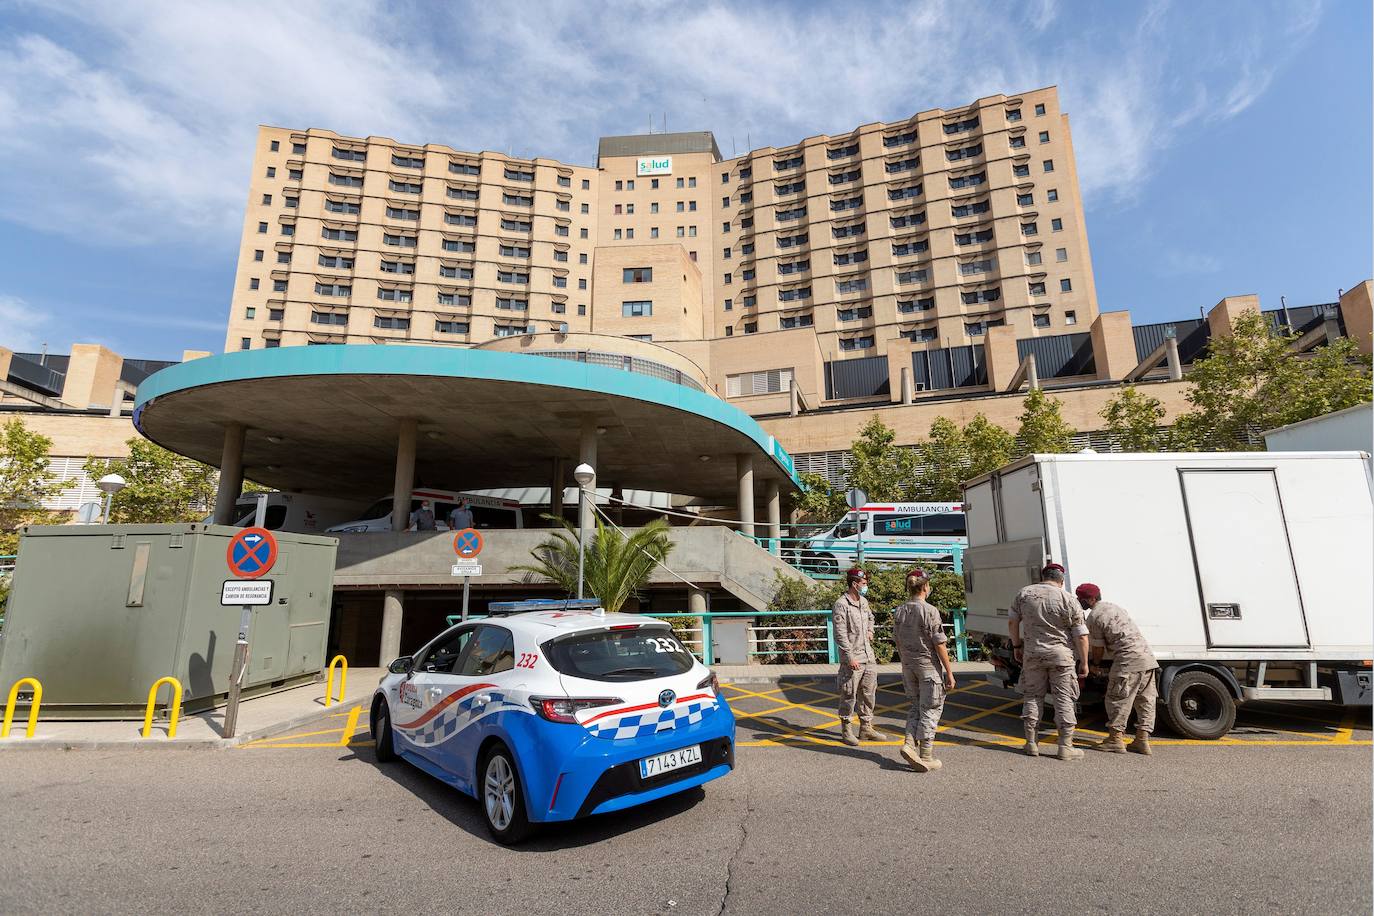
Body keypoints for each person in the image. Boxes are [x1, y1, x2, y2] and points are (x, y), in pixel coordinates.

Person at [1009, 563, 1089, 761]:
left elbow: (1012, 622)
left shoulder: (1024, 594)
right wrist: (1085, 662)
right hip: (1061, 656)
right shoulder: (1067, 598)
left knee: (1032, 697)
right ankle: (1065, 746)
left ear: (1043, 576)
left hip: (1032, 654)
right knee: (1064, 699)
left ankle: (1031, 743)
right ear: (1061, 581)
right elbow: (1081, 635)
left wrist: (1017, 646)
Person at [1077, 583, 1158, 756]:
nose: (1079, 601)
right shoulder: (1115, 607)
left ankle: (1115, 740)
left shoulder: (1095, 616)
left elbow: (1097, 648)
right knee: (1145, 700)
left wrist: (1095, 665)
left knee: (1117, 698)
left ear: (1091, 599)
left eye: (1081, 599)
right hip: (1147, 658)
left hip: (1127, 660)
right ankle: (1142, 740)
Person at [892, 568, 956, 772]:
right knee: (931, 708)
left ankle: (909, 744)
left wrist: (905, 664)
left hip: (908, 666)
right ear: (926, 587)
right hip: (928, 667)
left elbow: (897, 641)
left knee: (915, 707)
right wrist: (949, 672)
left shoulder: (900, 610)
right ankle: (926, 755)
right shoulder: (930, 611)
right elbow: (939, 644)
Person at [833, 567, 884, 747]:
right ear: (854, 584)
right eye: (863, 584)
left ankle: (866, 728)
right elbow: (840, 634)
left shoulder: (863, 601)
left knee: (869, 693)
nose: (865, 586)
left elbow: (871, 618)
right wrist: (849, 657)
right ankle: (846, 730)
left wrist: (870, 630)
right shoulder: (842, 604)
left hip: (868, 655)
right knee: (849, 694)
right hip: (853, 657)